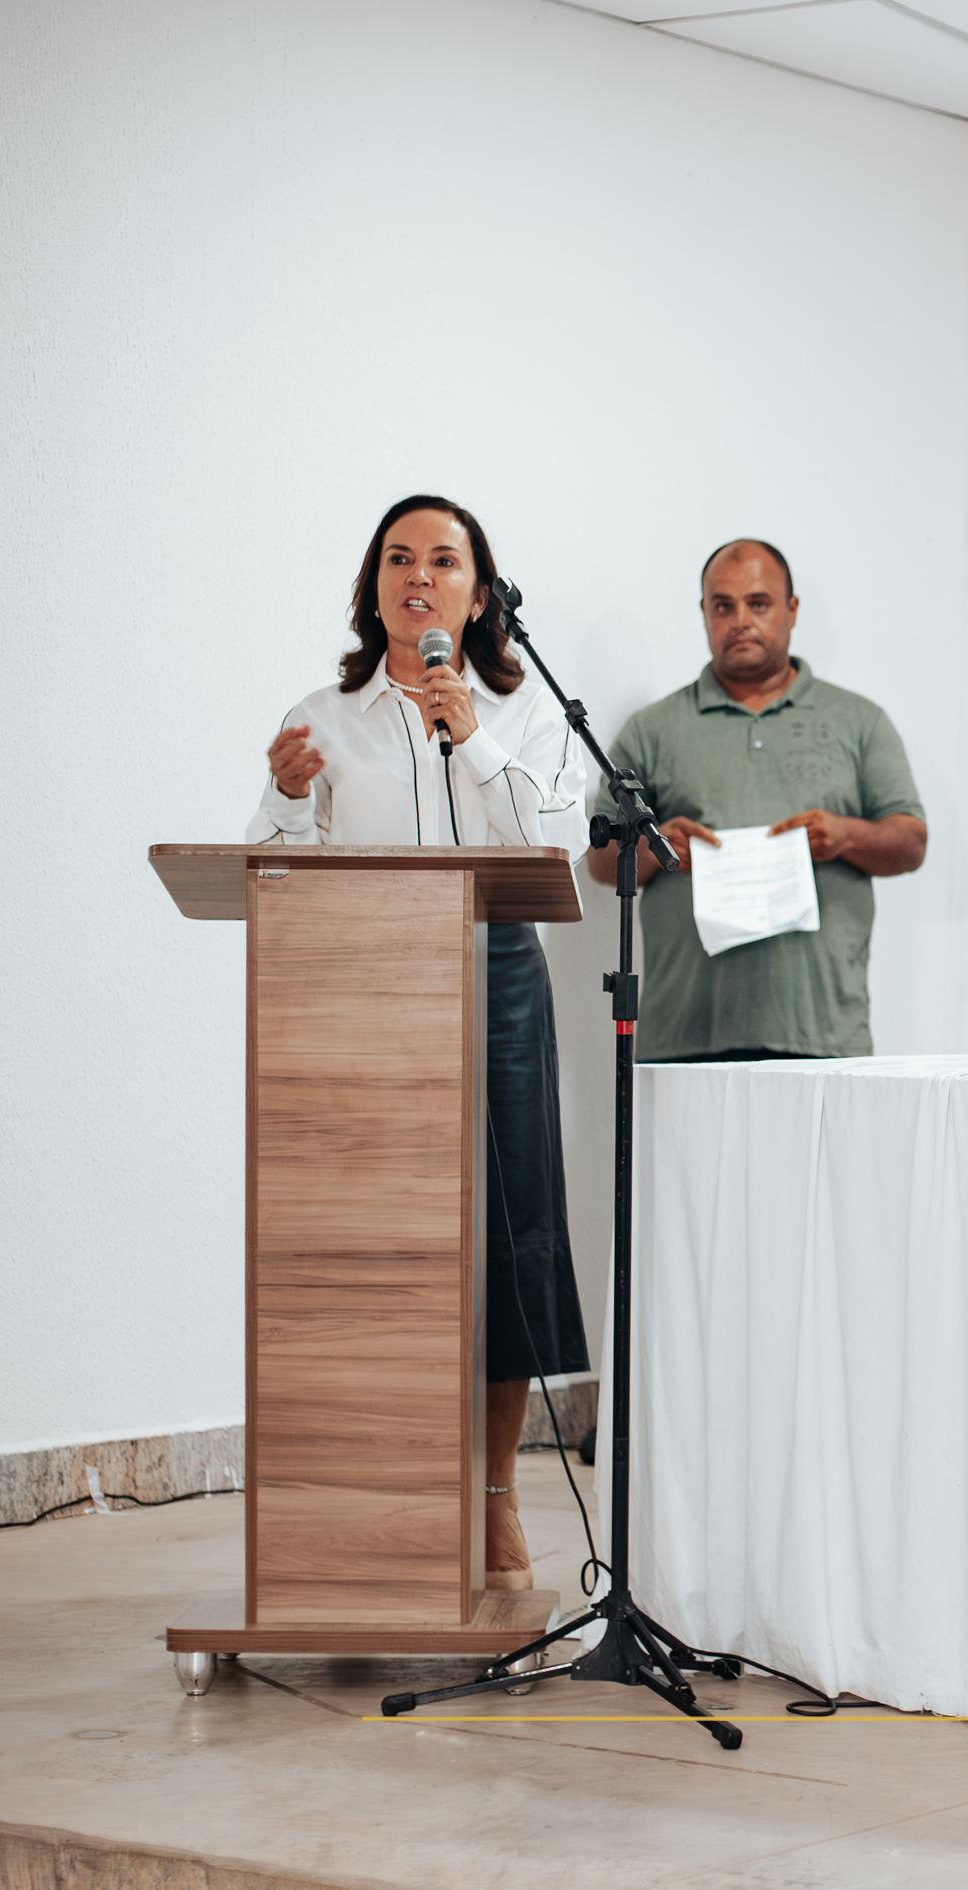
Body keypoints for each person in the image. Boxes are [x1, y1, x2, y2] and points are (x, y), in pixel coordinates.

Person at [245, 494, 594, 1592]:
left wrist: (472, 735)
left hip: (495, 976)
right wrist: (289, 794)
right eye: (399, 558)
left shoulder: (524, 711)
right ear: (374, 588)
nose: (420, 575)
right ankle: (379, 1491)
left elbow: (548, 842)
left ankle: (493, 1492)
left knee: (505, 1235)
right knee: (371, 1247)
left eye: (444, 560)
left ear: (478, 594)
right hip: (363, 986)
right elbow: (270, 861)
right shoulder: (323, 713)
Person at [588, 539, 927, 1061]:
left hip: (822, 1036)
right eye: (722, 605)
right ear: (704, 614)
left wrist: (846, 835)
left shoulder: (858, 720)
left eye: (759, 603)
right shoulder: (651, 730)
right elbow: (602, 863)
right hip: (685, 1034)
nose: (740, 620)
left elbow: (910, 842)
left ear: (791, 611)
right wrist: (657, 847)